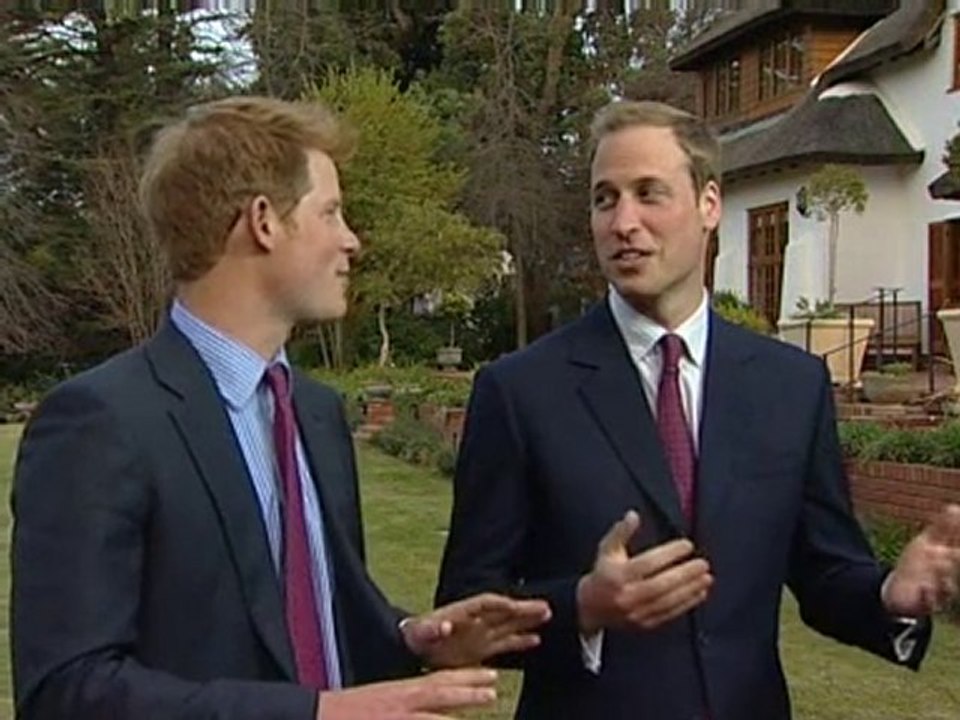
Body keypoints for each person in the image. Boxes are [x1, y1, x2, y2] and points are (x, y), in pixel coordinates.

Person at [10, 96, 551, 720]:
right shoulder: (102, 423)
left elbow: (307, 622)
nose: (352, 240)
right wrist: (317, 714)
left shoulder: (316, 414)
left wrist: (410, 639)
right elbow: (67, 690)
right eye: (331, 212)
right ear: (264, 222)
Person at [435, 100, 960, 720]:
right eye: (605, 199)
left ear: (709, 204)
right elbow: (465, 610)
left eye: (648, 194)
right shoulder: (520, 391)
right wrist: (583, 607)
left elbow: (825, 574)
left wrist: (892, 595)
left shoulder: (791, 385)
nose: (623, 222)